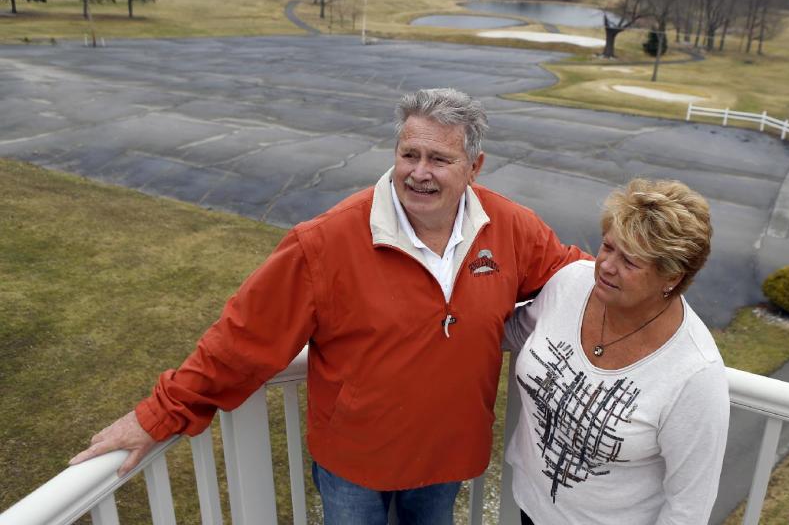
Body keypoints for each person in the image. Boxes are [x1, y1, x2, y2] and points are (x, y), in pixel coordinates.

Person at [70, 88, 587, 524]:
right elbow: (244, 339)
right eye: (409, 154)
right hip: (354, 466)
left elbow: (575, 277)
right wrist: (160, 413)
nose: (419, 173)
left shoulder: (511, 228)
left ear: (474, 166)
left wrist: (648, 301)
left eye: (439, 159)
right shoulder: (325, 242)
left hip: (447, 459)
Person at [503, 177, 729, 524]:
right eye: (608, 247)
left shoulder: (695, 372)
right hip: (530, 510)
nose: (607, 265)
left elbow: (689, 505)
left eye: (631, 261)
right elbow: (513, 332)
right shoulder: (570, 283)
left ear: (671, 277)